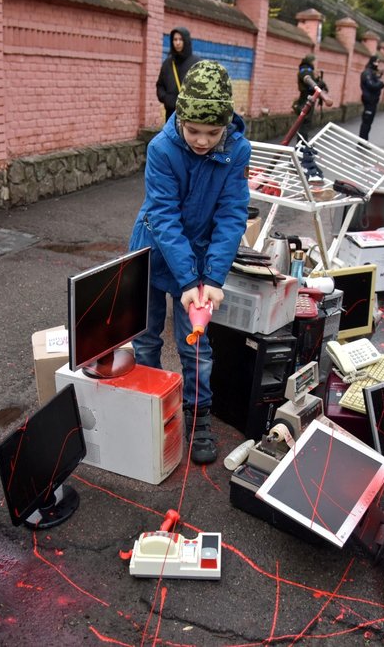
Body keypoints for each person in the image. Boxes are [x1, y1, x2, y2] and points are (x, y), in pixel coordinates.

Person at [129, 60, 251, 465]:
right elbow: (163, 216)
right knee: (145, 337)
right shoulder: (161, 148)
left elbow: (232, 214)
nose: (201, 140)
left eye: (212, 132)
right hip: (151, 250)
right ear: (178, 118)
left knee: (195, 346)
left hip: (199, 263)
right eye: (192, 130)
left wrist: (211, 277)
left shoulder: (237, 150)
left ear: (227, 125)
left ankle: (198, 417)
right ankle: (148, 406)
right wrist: (185, 281)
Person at [156, 27, 201, 121]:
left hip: (190, 115)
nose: (177, 43)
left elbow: (202, 88)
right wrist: (166, 98)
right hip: (171, 115)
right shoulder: (168, 63)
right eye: (175, 39)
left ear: (186, 41)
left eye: (180, 39)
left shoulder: (196, 63)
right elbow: (160, 85)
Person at [293, 54, 333, 139]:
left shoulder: (307, 70)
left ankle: (303, 142)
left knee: (306, 122)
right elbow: (310, 86)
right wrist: (320, 84)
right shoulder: (306, 71)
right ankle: (302, 143)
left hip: (308, 97)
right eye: (313, 61)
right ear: (310, 61)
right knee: (305, 121)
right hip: (306, 98)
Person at [359, 55, 384, 141]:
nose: (377, 64)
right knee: (366, 121)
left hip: (373, 100)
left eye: (378, 62)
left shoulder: (372, 72)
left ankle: (364, 140)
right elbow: (371, 85)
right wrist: (381, 83)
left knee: (369, 122)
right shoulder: (367, 73)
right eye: (376, 62)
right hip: (369, 100)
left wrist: (379, 79)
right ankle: (362, 141)